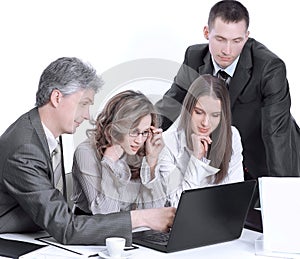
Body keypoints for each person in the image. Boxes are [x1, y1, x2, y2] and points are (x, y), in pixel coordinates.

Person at [0, 57, 175, 245]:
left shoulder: (44, 132)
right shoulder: (25, 149)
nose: (87, 115)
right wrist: (142, 218)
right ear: (57, 97)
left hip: (36, 233)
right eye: (84, 104)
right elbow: (66, 228)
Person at [155, 0, 300, 196]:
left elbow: (276, 133)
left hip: (268, 160)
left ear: (247, 37)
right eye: (220, 39)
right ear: (207, 33)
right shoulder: (194, 57)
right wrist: (139, 134)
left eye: (237, 41)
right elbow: (170, 106)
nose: (227, 50)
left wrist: (283, 194)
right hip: (224, 162)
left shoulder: (269, 68)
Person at [72, 90, 166, 215]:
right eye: (133, 131)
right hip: (91, 227)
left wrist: (152, 162)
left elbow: (154, 212)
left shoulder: (142, 149)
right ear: (117, 126)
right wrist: (110, 163)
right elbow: (106, 214)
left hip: (132, 226)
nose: (139, 141)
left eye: (144, 132)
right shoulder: (85, 153)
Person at [159, 74, 244, 207]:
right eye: (199, 112)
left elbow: (235, 195)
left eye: (215, 115)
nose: (205, 123)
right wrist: (196, 160)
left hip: (219, 220)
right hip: (182, 223)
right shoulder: (167, 142)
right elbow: (178, 204)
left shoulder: (232, 136)